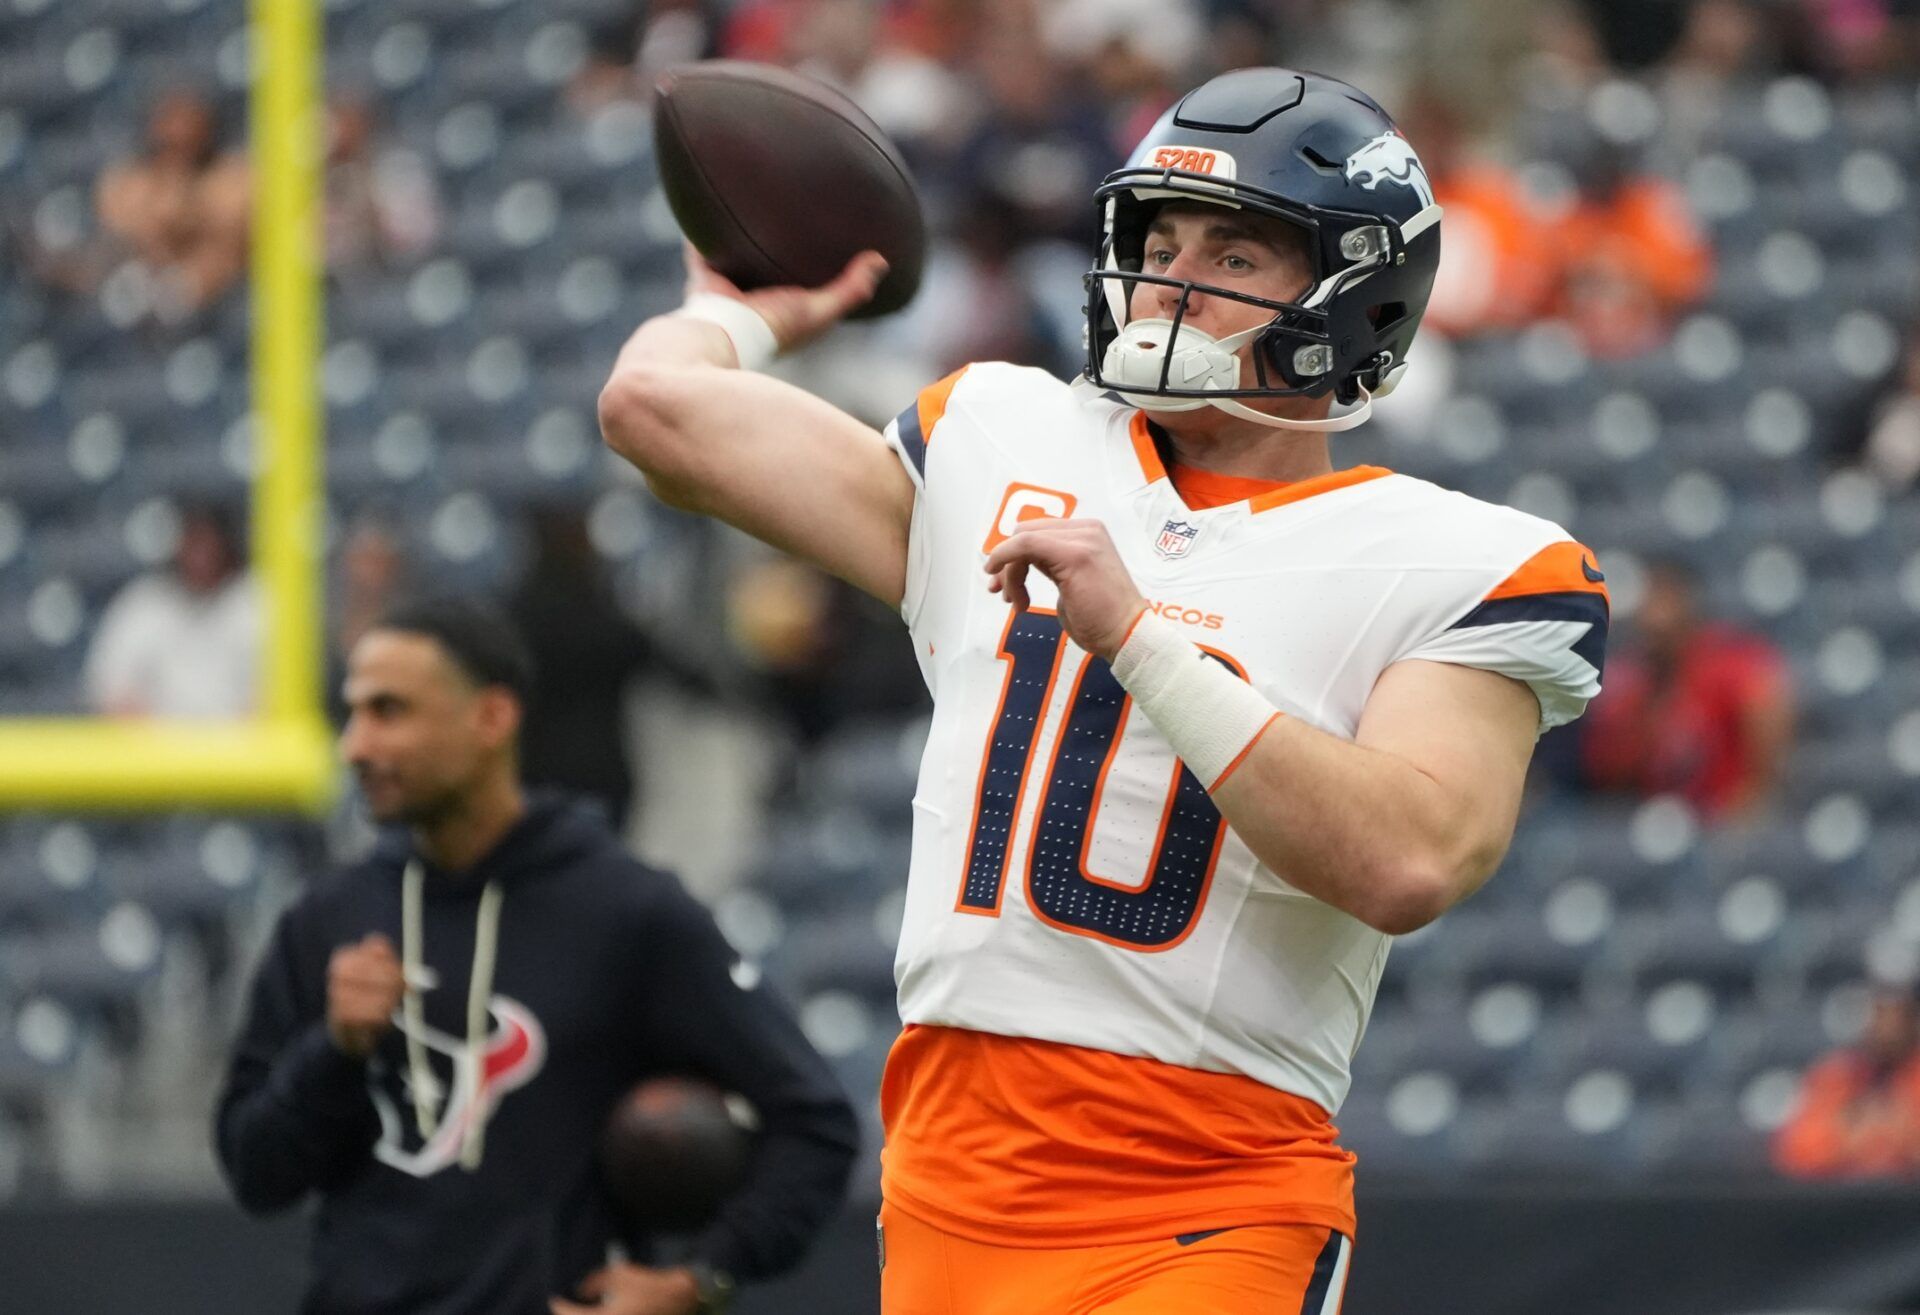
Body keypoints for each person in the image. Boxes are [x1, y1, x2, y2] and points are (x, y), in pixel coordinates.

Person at [598, 67, 1609, 1312]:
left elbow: (1408, 859)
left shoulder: (1462, 558)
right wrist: (744, 308)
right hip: (947, 1174)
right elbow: (656, 409)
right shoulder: (1011, 436)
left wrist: (1141, 636)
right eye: (1162, 240)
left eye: (1236, 253)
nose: (1176, 280)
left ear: (1360, 293)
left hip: (1203, 1189)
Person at [215, 596, 857, 1315]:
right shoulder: (327, 917)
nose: (355, 745)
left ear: (492, 717)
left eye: (389, 711)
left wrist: (700, 1278)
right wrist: (331, 1050)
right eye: (353, 712)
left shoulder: (628, 911)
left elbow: (816, 1123)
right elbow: (254, 1170)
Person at [1580, 557, 1792, 820]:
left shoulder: (1731, 666)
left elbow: (1768, 762)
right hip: (1656, 824)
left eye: (1664, 600)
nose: (1653, 618)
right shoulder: (1631, 684)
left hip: (1723, 821)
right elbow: (1611, 775)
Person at [82, 503, 259, 719]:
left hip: (243, 748)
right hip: (153, 748)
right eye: (193, 543)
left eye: (208, 543)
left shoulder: (254, 602)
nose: (201, 555)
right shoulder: (144, 603)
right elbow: (110, 689)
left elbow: (275, 692)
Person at [94, 89, 251, 324]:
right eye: (170, 137)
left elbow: (233, 230)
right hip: (153, 283)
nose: (179, 139)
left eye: (188, 135)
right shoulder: (127, 185)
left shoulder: (234, 180)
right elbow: (125, 222)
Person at [1774, 986, 1920, 1178]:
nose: (1887, 1026)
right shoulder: (1836, 1076)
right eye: (1879, 1014)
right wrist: (1844, 1138)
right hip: (1844, 1199)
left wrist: (1898, 1134)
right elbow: (1794, 1151)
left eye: (1898, 1015)